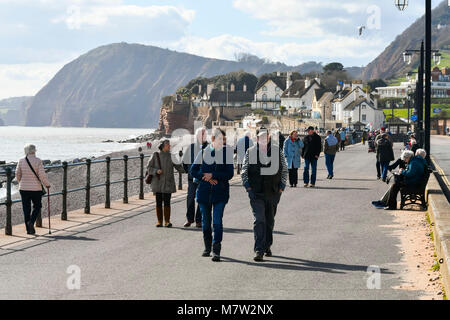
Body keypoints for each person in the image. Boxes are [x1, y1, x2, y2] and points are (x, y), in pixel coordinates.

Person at [242, 128, 288, 261]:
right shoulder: (250, 152)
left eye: (265, 137)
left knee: (269, 221)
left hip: (273, 193)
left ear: (268, 138)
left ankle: (267, 245)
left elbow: (284, 169)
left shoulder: (276, 151)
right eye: (260, 137)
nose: (263, 139)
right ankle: (259, 250)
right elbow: (244, 172)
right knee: (259, 220)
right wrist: (248, 188)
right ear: (257, 139)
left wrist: (281, 188)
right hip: (256, 193)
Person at [190, 128, 234, 262]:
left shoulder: (227, 154)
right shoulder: (203, 153)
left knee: (217, 222)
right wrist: (206, 177)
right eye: (221, 139)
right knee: (206, 223)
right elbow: (193, 170)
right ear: (213, 140)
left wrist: (214, 175)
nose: (223, 142)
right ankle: (207, 247)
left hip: (220, 193)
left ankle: (216, 250)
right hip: (204, 193)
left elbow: (230, 174)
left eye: (224, 140)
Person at [147, 140, 184, 228]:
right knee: (158, 202)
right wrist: (156, 171)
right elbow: (148, 167)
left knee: (167, 202)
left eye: (169, 144)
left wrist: (187, 169)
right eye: (168, 145)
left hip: (168, 183)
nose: (169, 146)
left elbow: (179, 167)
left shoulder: (172, 156)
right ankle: (159, 221)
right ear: (162, 146)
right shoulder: (155, 155)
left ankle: (167, 221)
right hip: (157, 182)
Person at [15, 144, 51, 235]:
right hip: (36, 189)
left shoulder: (21, 160)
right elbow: (42, 175)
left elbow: (17, 174)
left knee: (26, 209)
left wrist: (21, 183)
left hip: (23, 189)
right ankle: (31, 222)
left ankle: (29, 230)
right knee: (37, 206)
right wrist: (47, 184)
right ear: (34, 151)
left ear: (26, 151)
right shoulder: (38, 161)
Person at [182, 127, 208, 228]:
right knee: (190, 198)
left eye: (203, 134)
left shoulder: (209, 148)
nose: (202, 136)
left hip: (204, 178)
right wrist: (188, 171)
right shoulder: (191, 147)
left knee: (201, 199)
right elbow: (185, 162)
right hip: (191, 177)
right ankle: (189, 219)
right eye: (200, 134)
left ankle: (199, 220)